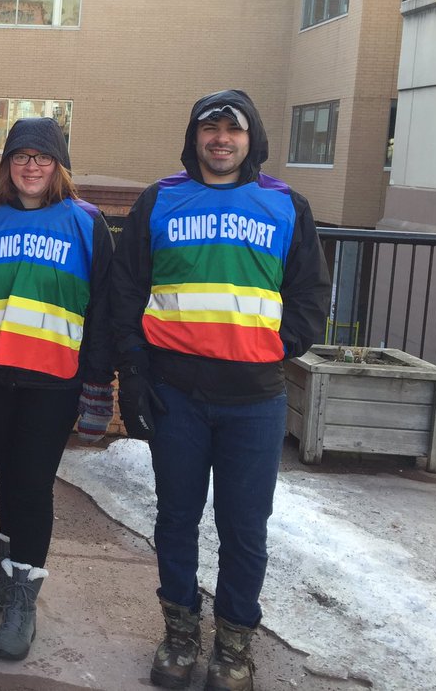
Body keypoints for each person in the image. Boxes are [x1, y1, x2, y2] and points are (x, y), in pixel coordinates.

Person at [112, 89, 329, 690]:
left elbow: (311, 295)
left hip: (255, 399)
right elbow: (126, 290)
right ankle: (180, 634)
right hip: (175, 393)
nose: (221, 140)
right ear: (195, 137)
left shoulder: (285, 205)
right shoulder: (160, 201)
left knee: (243, 527)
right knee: (176, 519)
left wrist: (276, 346)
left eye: (232, 130)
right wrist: (133, 370)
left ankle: (234, 646)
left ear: (250, 137)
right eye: (210, 129)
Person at [0, 117, 115, 661]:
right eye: (21, 156)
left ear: (58, 165)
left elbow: (105, 309)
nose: (31, 166)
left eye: (42, 157)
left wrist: (97, 385)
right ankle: (8, 579)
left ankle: (23, 599)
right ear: (6, 164)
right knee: (9, 477)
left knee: (33, 485)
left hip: (53, 379)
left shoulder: (86, 223)